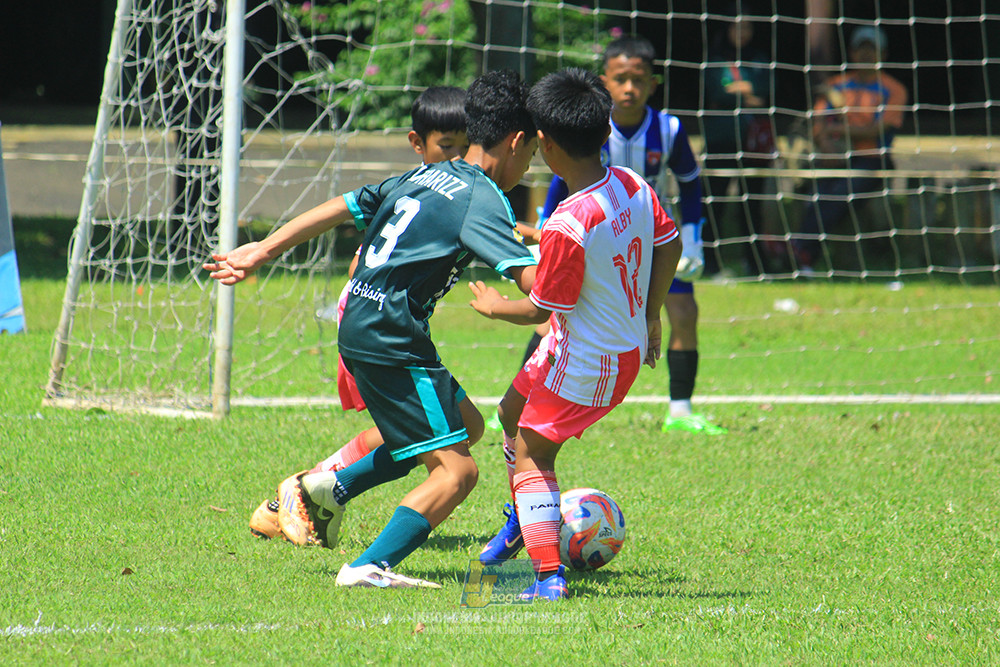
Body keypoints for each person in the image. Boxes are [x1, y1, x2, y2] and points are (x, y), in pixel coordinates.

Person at [204, 69, 539, 589]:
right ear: (518, 141)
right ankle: (368, 567)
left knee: (466, 426)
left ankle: (326, 491)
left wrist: (263, 249)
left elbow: (341, 206)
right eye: (533, 154)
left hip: (359, 319)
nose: (530, 166)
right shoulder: (485, 198)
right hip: (392, 335)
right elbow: (538, 286)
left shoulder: (424, 176)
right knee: (458, 472)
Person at [468, 67, 681, 600]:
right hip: (608, 346)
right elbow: (670, 244)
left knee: (533, 452)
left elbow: (542, 305)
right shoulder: (632, 185)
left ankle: (548, 576)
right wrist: (651, 314)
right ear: (606, 132)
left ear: (542, 144)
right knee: (509, 412)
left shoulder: (568, 221)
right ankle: (526, 515)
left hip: (589, 357)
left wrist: (495, 308)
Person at [246, 86, 474, 541]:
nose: (457, 158)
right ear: (418, 143)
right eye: (446, 147)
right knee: (443, 452)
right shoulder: (434, 193)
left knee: (461, 423)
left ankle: (293, 501)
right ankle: (313, 494)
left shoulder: (421, 188)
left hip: (376, 320)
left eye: (464, 148)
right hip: (381, 327)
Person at [539, 34, 726, 435]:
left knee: (684, 313)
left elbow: (691, 185)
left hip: (653, 240)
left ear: (652, 84)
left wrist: (691, 236)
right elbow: (560, 182)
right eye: (620, 79)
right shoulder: (588, 127)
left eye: (638, 80)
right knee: (556, 319)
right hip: (595, 241)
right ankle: (526, 394)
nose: (629, 88)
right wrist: (543, 230)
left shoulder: (669, 129)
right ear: (604, 81)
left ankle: (680, 408)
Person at [793, 25, 908, 274]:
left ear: (883, 54)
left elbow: (877, 130)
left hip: (871, 161)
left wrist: (838, 133)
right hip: (833, 158)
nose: (866, 55)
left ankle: (802, 251)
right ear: (853, 53)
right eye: (861, 49)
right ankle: (801, 257)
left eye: (872, 49)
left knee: (840, 194)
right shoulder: (837, 85)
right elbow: (817, 124)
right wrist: (827, 146)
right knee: (815, 195)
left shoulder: (894, 89)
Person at [702, 13, 775, 276]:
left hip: (753, 143)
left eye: (748, 27)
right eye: (737, 27)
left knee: (752, 204)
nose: (742, 32)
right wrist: (749, 92)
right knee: (714, 203)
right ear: (728, 28)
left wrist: (742, 90)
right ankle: (708, 263)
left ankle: (755, 264)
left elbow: (767, 90)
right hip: (721, 140)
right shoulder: (714, 61)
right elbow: (718, 91)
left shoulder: (760, 59)